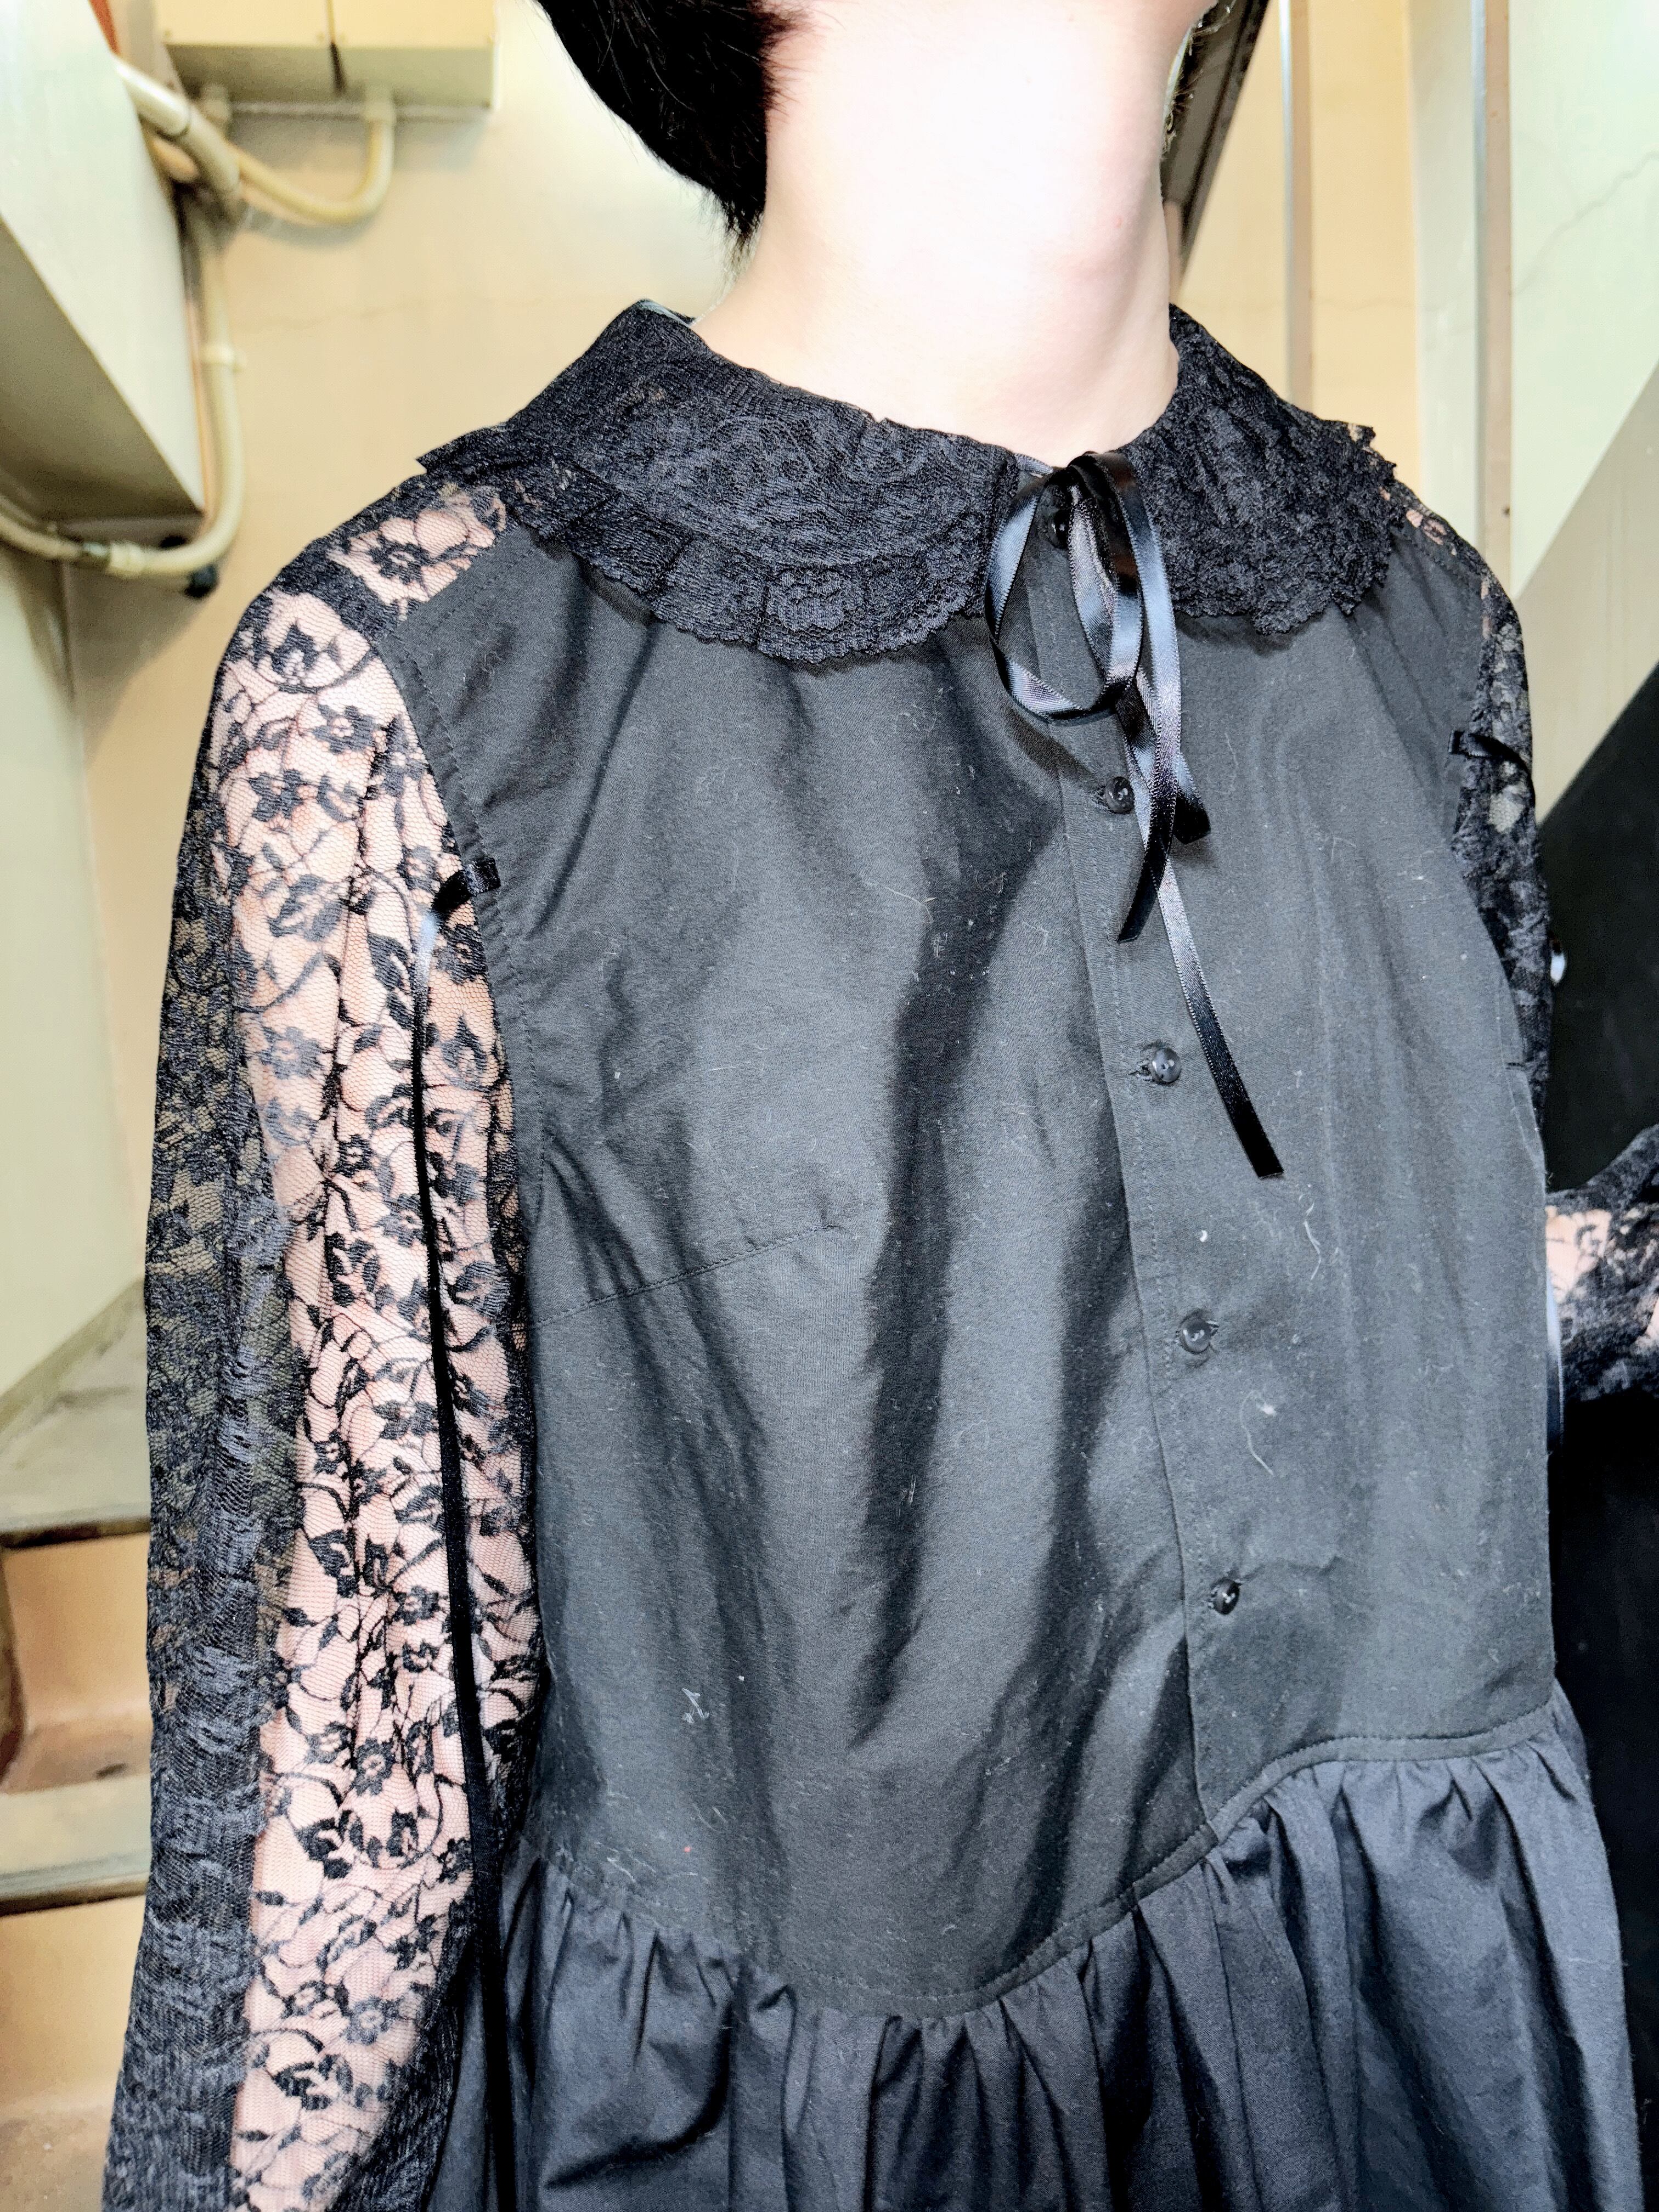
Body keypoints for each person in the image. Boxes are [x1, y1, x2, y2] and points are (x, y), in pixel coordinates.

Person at [108, 2, 1659, 2207]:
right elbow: (345, 1854)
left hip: (1424, 2088)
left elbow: (1372, 1335)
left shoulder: (1419, 628)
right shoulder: (410, 709)